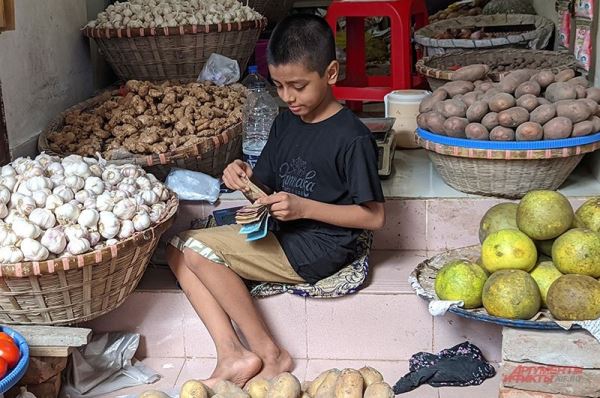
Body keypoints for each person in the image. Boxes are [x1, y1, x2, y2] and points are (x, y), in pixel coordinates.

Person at [166, 14, 385, 387]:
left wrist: (304, 208)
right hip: (281, 227)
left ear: (331, 73)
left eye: (298, 86)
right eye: (279, 85)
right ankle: (231, 354)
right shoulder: (285, 123)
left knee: (199, 251)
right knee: (175, 248)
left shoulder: (352, 138)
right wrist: (241, 176)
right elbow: (264, 184)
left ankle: (270, 353)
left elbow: (374, 218)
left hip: (319, 244)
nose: (287, 97)